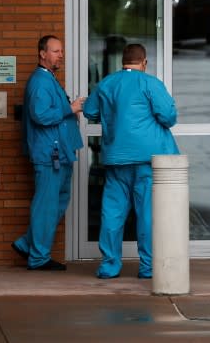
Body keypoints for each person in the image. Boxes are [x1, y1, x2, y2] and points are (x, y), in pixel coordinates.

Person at [83, 43, 179, 279]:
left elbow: (89, 111)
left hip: (116, 159)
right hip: (147, 160)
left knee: (113, 213)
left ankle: (109, 265)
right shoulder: (150, 83)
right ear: (144, 62)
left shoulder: (106, 83)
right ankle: (147, 267)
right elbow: (168, 117)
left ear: (122, 62)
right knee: (147, 214)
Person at [12, 35, 84, 271]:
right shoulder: (40, 81)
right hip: (49, 154)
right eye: (55, 51)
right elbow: (40, 116)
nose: (60, 55)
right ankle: (38, 257)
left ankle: (27, 244)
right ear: (42, 54)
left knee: (58, 202)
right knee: (47, 205)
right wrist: (70, 108)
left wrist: (68, 111)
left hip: (60, 153)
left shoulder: (50, 79)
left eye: (61, 51)